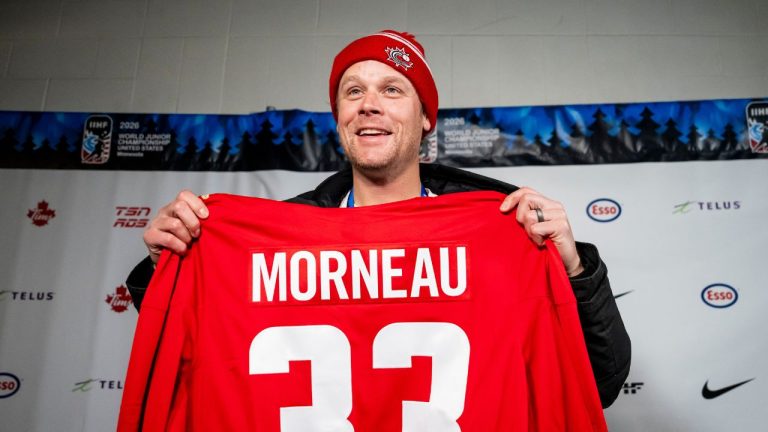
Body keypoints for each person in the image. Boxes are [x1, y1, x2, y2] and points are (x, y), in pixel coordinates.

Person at [125, 30, 630, 408]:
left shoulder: (504, 233)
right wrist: (167, 267)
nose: (369, 106)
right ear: (339, 116)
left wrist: (574, 271)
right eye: (353, 92)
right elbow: (194, 370)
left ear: (426, 116)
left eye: (392, 89)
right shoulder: (274, 245)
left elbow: (599, 384)